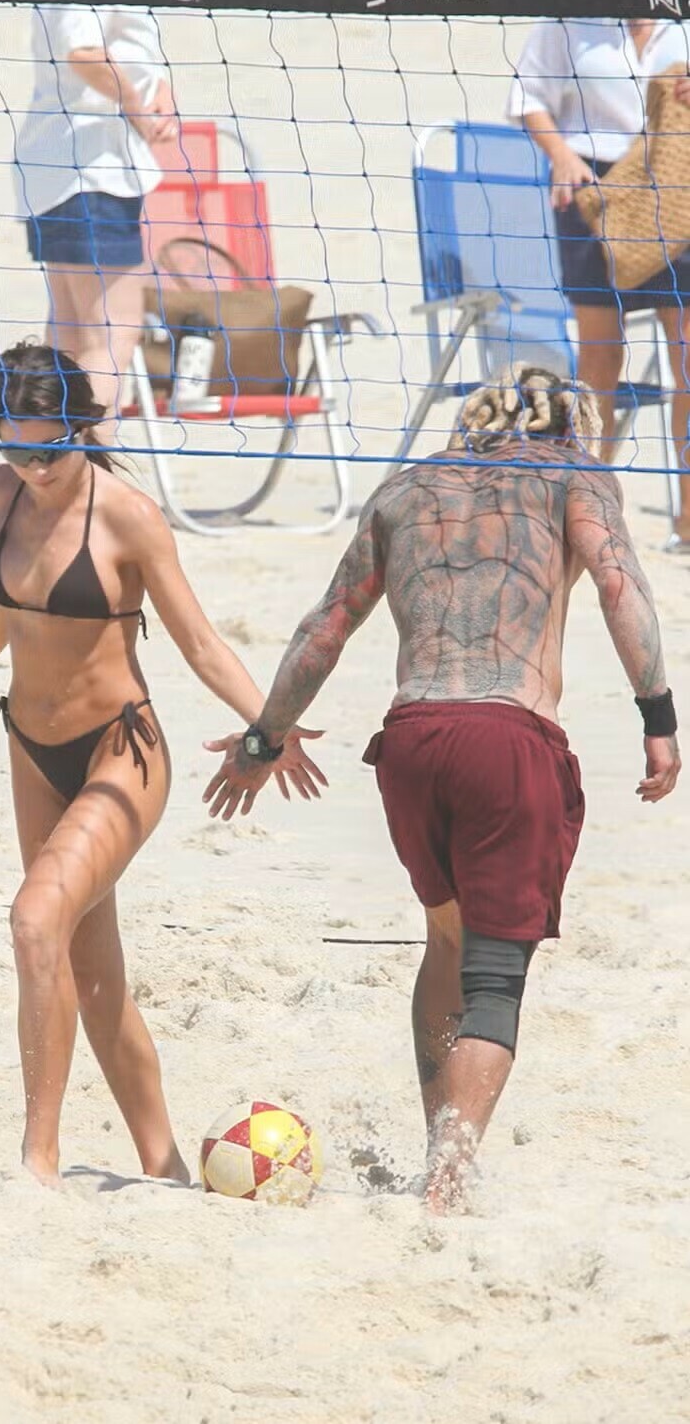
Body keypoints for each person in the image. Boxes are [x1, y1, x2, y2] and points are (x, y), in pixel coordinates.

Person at [203, 363, 681, 1213]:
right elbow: (619, 586)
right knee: (496, 978)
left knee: (446, 942)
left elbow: (326, 626)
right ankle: (448, 1181)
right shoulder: (575, 474)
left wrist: (262, 738)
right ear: (571, 425)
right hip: (507, 738)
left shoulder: (406, 488)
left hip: (411, 742)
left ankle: (441, 1151)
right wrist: (659, 716)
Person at [0, 341, 325, 1187]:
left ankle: (37, 1162)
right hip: (31, 750)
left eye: (49, 450)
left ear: (82, 428)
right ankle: (165, 1167)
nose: (33, 469)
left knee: (35, 920)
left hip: (121, 752)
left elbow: (202, 644)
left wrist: (270, 726)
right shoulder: (0, 493)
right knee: (94, 979)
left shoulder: (128, 516)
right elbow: (6, 606)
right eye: (15, 449)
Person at [509, 0, 690, 546]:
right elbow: (529, 96)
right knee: (600, 358)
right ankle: (590, 514)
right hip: (594, 188)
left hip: (678, 183)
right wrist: (560, 155)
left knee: (687, 355)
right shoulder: (571, 7)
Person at [14, 0, 177, 427]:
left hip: (68, 167)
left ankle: (50, 457)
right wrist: (135, 105)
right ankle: (89, 462)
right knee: (110, 335)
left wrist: (158, 89)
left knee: (69, 335)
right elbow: (82, 51)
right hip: (90, 170)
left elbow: (116, 47)